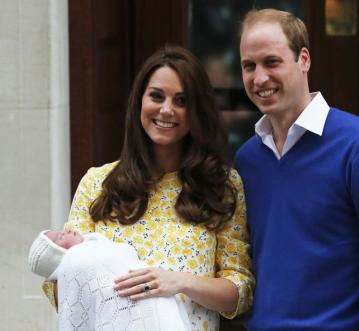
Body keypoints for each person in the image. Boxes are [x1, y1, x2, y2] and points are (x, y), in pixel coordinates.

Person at [43, 45, 254, 331]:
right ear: (139, 102)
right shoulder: (97, 183)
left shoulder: (222, 186)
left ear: (196, 111)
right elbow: (63, 287)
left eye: (181, 101)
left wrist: (179, 281)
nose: (167, 110)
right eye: (156, 96)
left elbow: (239, 293)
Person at [235, 8, 359, 331]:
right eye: (249, 66)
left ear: (304, 60)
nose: (259, 77)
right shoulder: (248, 160)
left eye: (272, 62)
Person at [28, 229, 191, 330]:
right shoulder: (75, 262)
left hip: (159, 304)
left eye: (61, 231)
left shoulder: (100, 246)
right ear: (55, 254)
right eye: (59, 238)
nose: (66, 230)